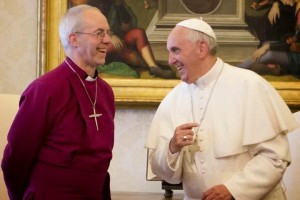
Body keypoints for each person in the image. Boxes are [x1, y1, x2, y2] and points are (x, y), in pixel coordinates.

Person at [145, 18, 299, 199]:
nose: (170, 60)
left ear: (202, 48)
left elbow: (276, 158)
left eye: (175, 50)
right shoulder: (173, 99)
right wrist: (172, 147)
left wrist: (234, 190)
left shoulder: (249, 85)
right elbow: (162, 172)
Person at [1, 5, 115, 200]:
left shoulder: (105, 91)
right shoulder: (45, 89)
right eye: (99, 33)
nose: (107, 40)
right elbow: (16, 158)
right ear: (74, 39)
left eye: (107, 33)